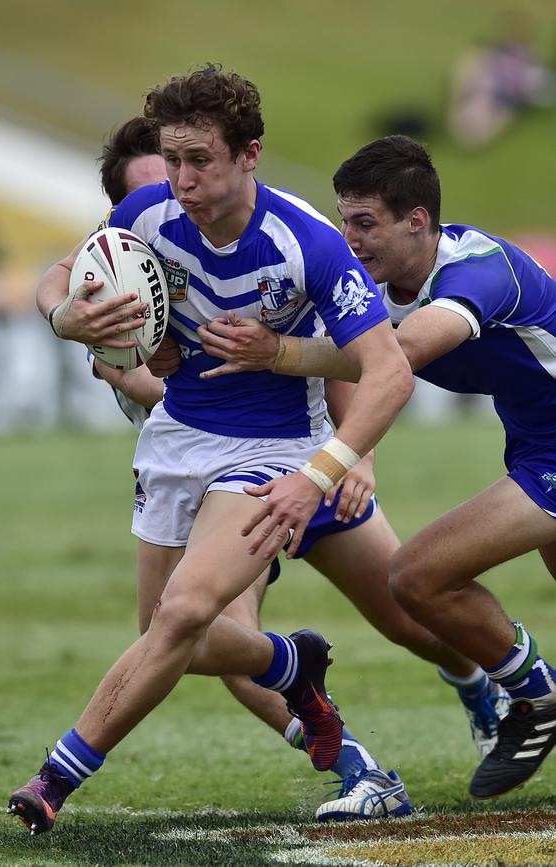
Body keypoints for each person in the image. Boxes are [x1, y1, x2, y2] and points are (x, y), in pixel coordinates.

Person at [32, 116, 508, 824]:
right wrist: (87, 327)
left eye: (192, 169)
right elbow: (92, 324)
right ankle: (356, 760)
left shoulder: (295, 237)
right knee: (195, 635)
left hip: (304, 455)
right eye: (165, 175)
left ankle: (486, 681)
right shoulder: (131, 247)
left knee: (405, 613)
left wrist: (357, 457)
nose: (181, 192)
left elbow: (360, 353)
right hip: (210, 470)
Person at [195, 134, 556, 805]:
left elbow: (398, 354)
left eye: (365, 223)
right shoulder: (380, 281)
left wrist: (278, 352)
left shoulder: (478, 269)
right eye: (343, 222)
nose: (349, 240)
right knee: (418, 582)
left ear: (417, 221)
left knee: (417, 575)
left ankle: (538, 696)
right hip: (536, 445)